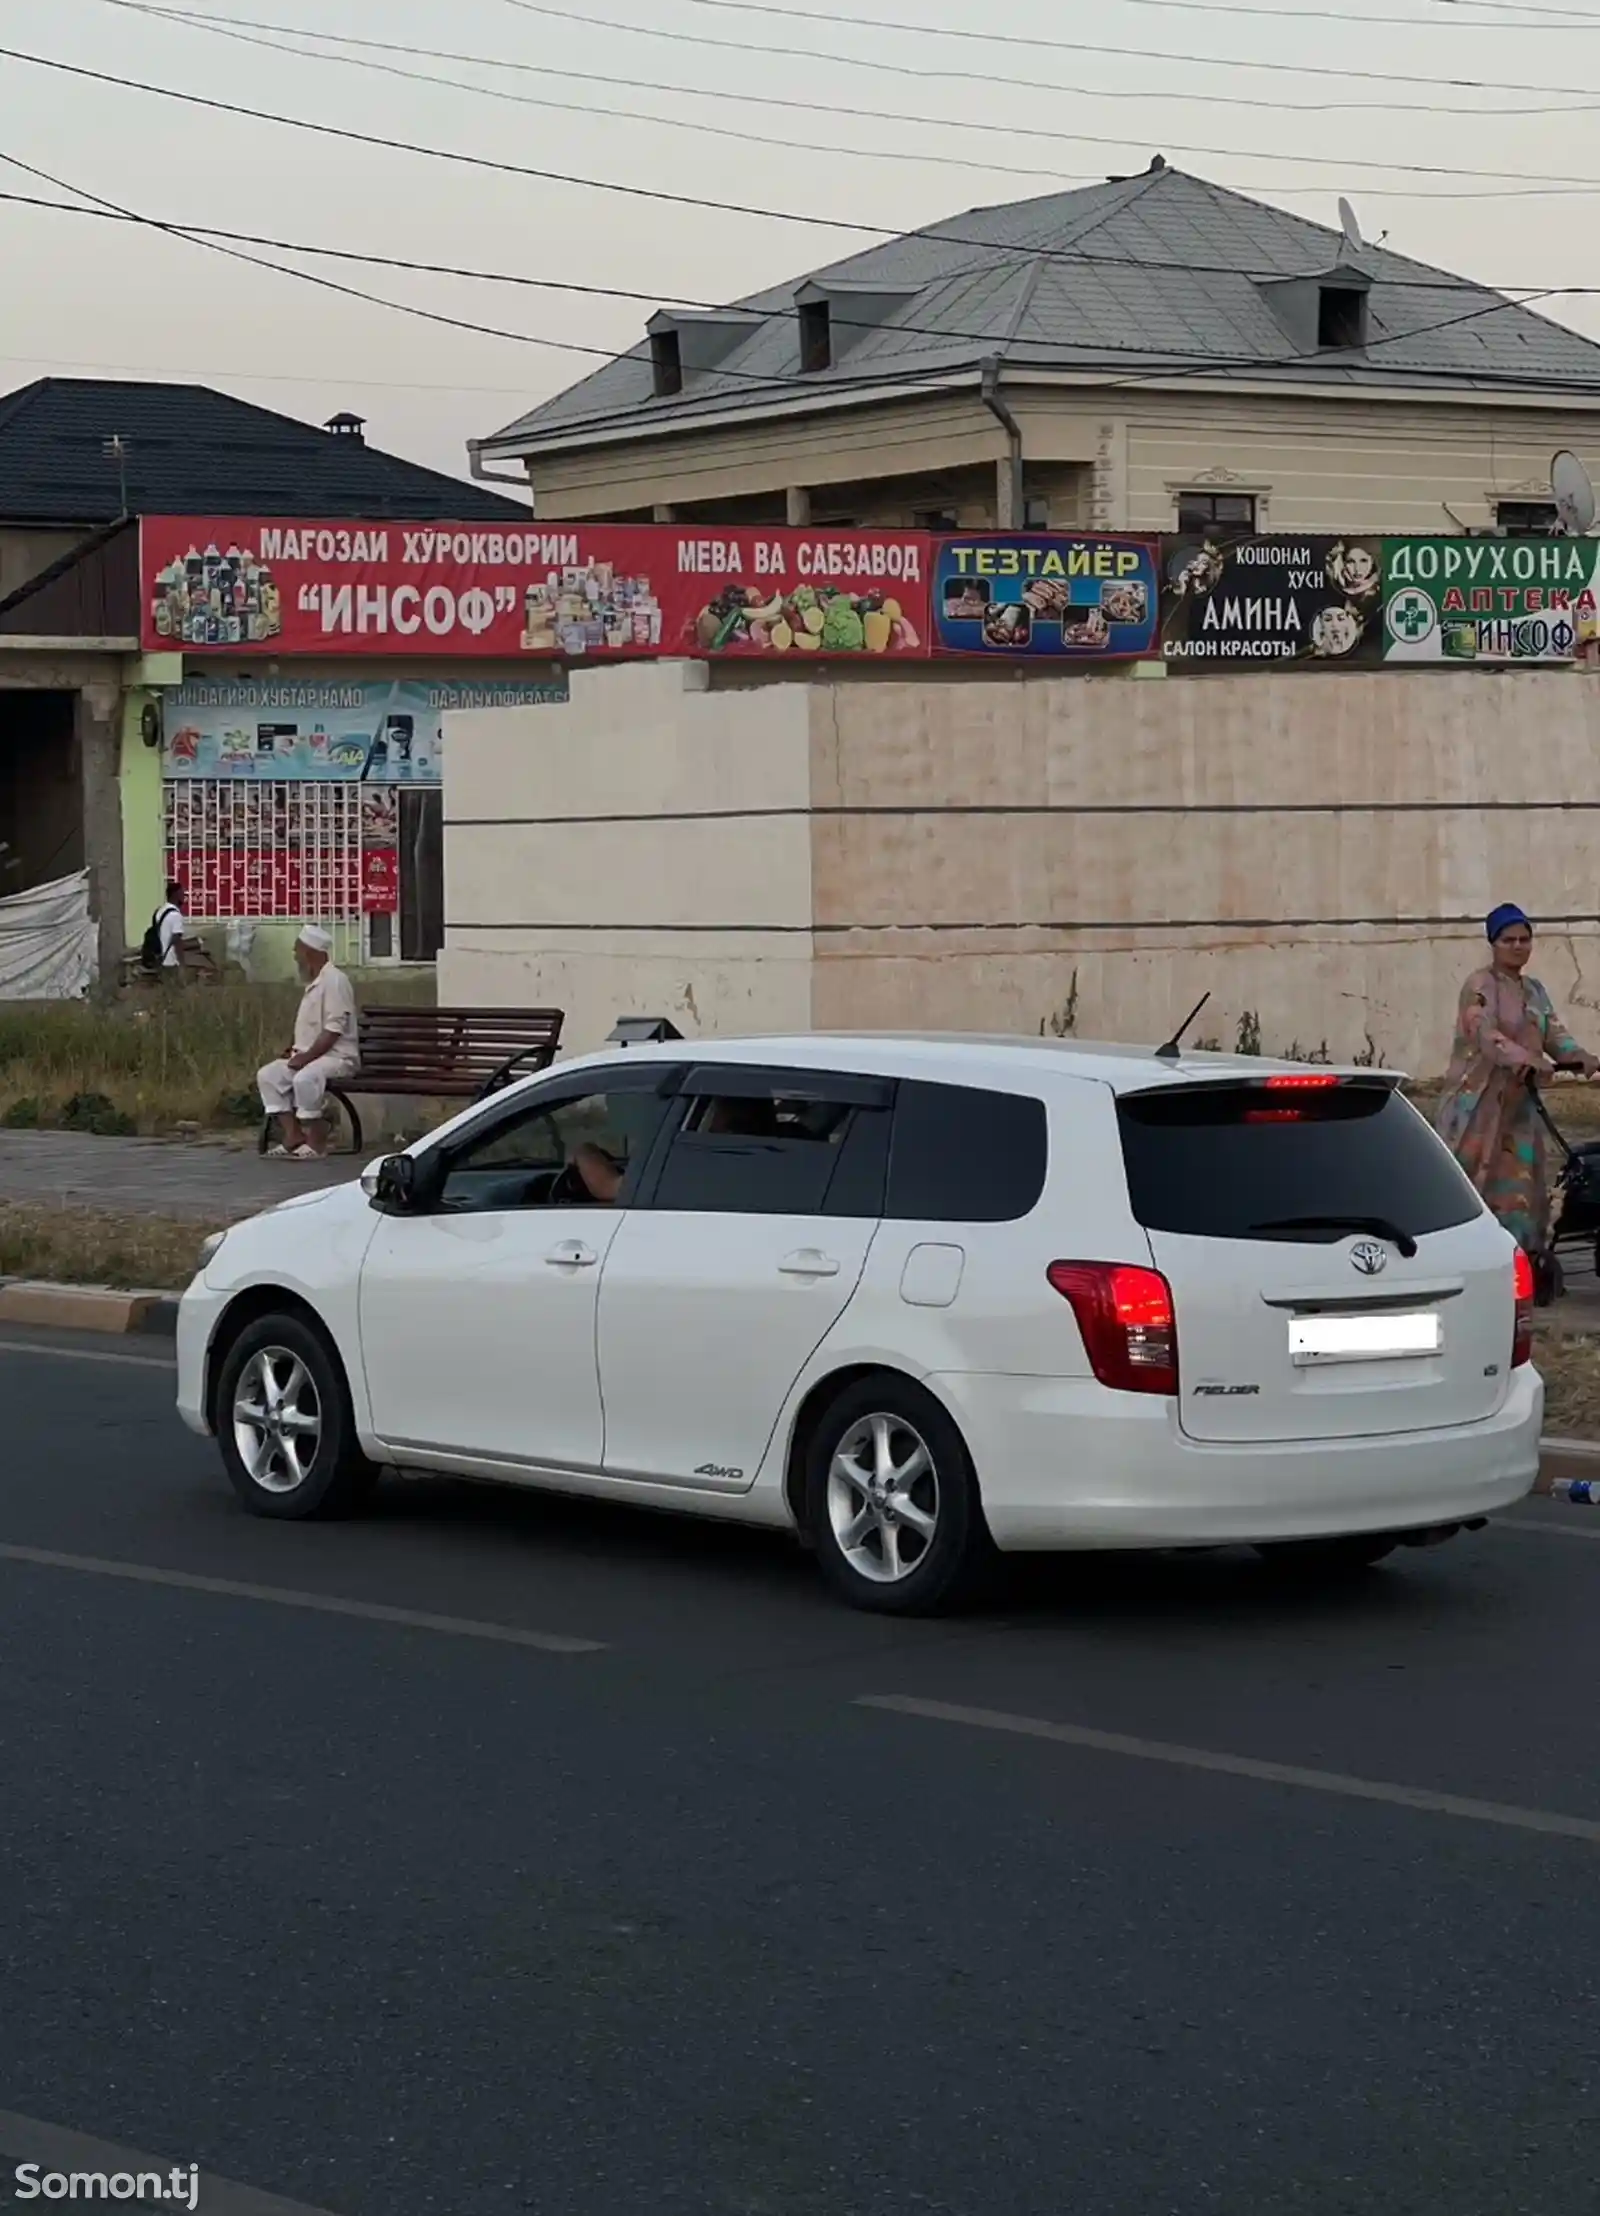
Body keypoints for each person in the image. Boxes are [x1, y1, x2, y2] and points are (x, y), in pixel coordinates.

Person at [1434, 902, 1600, 1255]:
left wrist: (1579, 1057)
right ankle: (1462, 1257)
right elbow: (1483, 1033)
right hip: (1477, 1107)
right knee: (1472, 1181)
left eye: (1525, 939)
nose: (1518, 946)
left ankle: (1520, 1261)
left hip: (1519, 1107)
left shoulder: (1534, 990)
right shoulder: (1480, 986)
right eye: (1508, 939)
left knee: (1521, 1188)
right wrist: (1526, 1058)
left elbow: (1553, 1032)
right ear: (1493, 943)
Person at [257, 925, 360, 1160]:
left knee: (306, 1077)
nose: (295, 957)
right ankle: (293, 1135)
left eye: (298, 951)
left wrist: (306, 1058)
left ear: (310, 952)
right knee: (269, 1075)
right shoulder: (315, 982)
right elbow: (310, 1027)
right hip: (312, 1056)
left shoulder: (335, 981)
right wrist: (294, 1051)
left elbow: (334, 1029)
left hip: (338, 1058)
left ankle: (316, 1140)